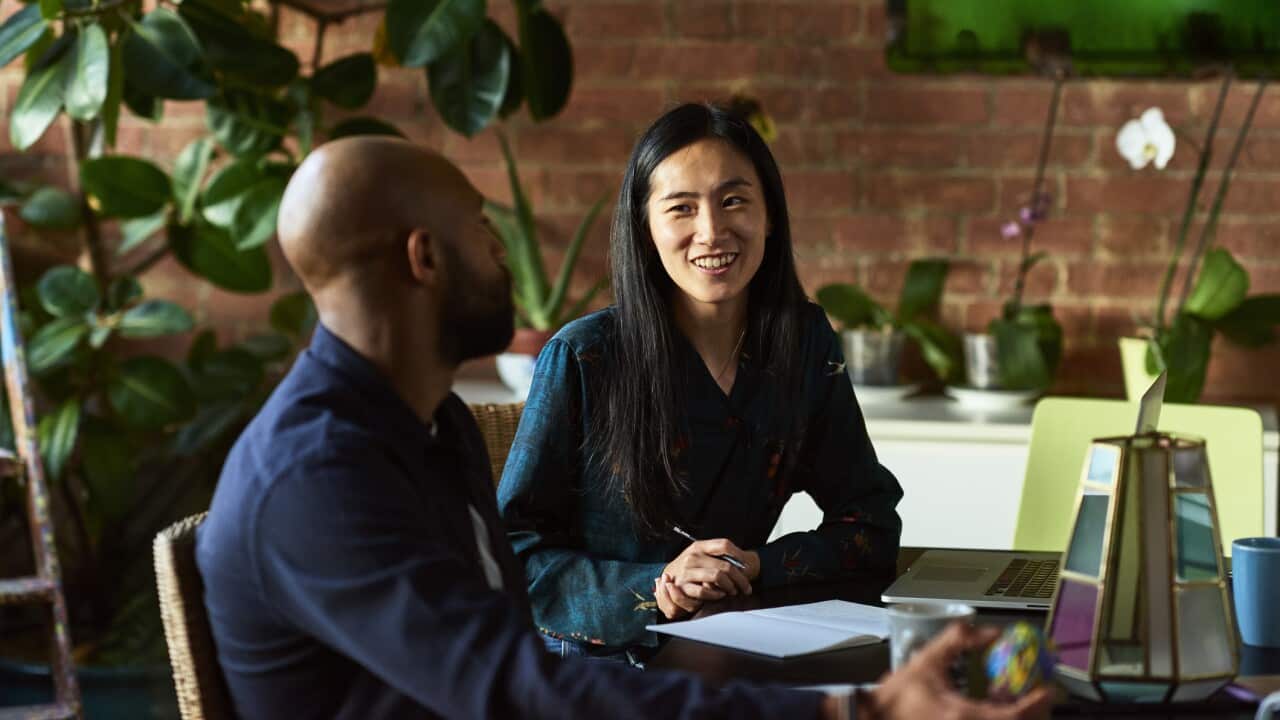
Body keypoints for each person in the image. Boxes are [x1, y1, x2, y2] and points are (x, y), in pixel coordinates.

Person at [194, 135, 1050, 720]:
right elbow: (512, 684)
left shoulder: (428, 426)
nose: (502, 254)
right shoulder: (314, 480)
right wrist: (850, 710)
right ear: (424, 257)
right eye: (484, 231)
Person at [497, 103, 903, 661]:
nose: (712, 231)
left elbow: (870, 522)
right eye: (681, 209)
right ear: (645, 229)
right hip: (596, 670)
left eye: (733, 200)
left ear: (771, 216)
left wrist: (754, 564)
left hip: (739, 653)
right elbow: (510, 557)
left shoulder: (801, 340)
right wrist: (657, 585)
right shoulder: (584, 357)